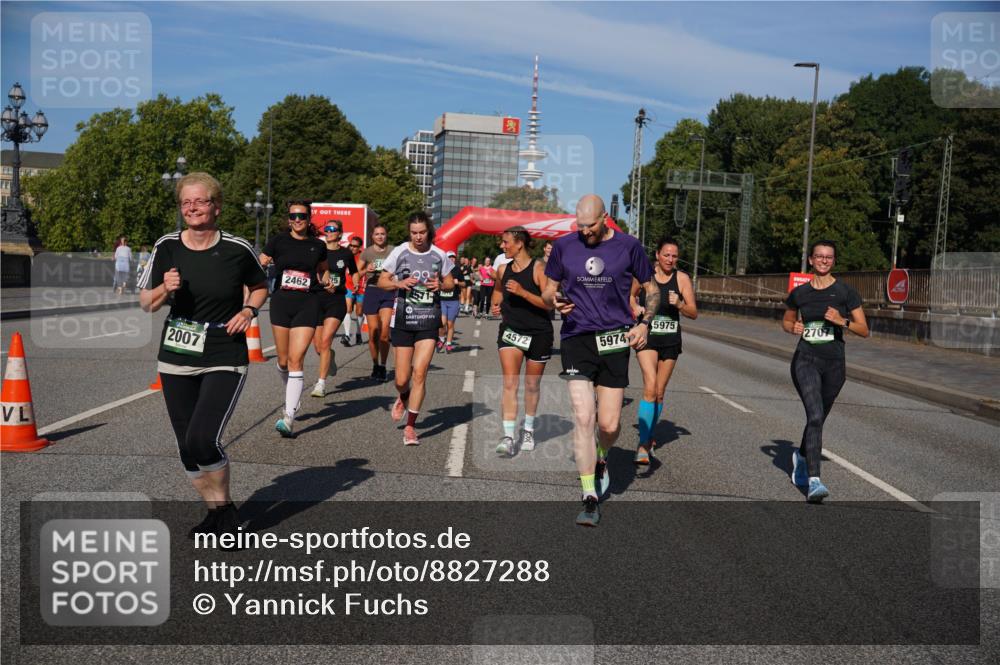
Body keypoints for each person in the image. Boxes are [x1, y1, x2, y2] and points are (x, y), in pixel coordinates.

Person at [138, 172, 267, 538]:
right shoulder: (166, 246)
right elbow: (146, 303)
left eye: (200, 201)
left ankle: (226, 515)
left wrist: (248, 310)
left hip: (224, 351)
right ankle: (216, 514)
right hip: (177, 353)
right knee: (186, 448)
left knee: (202, 439)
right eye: (186, 202)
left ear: (216, 206)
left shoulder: (237, 249)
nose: (192, 207)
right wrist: (165, 288)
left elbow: (260, 286)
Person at [541, 194, 656, 527]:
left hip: (615, 339)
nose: (584, 231)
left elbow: (652, 289)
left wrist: (644, 324)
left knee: (608, 425)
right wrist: (553, 300)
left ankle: (602, 456)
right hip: (577, 337)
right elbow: (548, 290)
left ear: (605, 218)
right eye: (579, 225)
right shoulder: (564, 246)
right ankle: (589, 495)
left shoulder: (629, 246)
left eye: (590, 226)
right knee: (583, 416)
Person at [782, 240, 868, 503]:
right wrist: (793, 327)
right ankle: (814, 481)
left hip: (834, 364)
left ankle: (801, 456)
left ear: (834, 261)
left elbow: (864, 329)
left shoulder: (845, 292)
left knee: (817, 419)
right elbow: (787, 319)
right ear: (810, 260)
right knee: (816, 415)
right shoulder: (800, 293)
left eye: (828, 257)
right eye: (819, 256)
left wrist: (842, 321)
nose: (823, 260)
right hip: (805, 360)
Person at [377, 212, 455, 446]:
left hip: (428, 320)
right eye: (414, 233)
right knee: (402, 379)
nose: (418, 237)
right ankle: (403, 395)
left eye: (422, 232)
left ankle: (410, 427)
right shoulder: (400, 251)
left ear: (429, 232)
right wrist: (398, 283)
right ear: (409, 233)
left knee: (420, 373)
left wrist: (441, 285)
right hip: (403, 320)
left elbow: (450, 282)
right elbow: (381, 280)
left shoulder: (439, 254)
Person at [259, 201, 330, 437]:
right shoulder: (278, 241)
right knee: (282, 361)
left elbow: (323, 270)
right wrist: (259, 266)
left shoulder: (318, 245)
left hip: (307, 303)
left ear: (309, 219)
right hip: (281, 302)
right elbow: (260, 261)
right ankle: (292, 393)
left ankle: (289, 416)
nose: (297, 219)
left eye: (302, 216)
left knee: (296, 359)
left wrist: (327, 281)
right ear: (289, 219)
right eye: (293, 216)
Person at [632, 238, 697, 466]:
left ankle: (649, 436)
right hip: (647, 336)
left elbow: (693, 312)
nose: (670, 259)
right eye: (666, 255)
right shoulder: (644, 274)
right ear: (657, 255)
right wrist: (635, 306)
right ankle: (643, 444)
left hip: (670, 340)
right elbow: (628, 296)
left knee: (659, 393)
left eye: (674, 256)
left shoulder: (682, 279)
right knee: (650, 386)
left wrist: (680, 304)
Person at [491, 226, 552, 455]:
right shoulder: (502, 269)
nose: (502, 246)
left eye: (505, 242)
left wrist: (523, 292)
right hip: (511, 330)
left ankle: (528, 429)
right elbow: (498, 291)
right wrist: (495, 305)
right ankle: (508, 436)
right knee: (510, 382)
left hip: (538, 333)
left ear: (519, 244)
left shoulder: (539, 268)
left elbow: (549, 304)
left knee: (532, 385)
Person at [310, 221, 359, 398]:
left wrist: (355, 283)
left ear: (340, 233)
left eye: (333, 229)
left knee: (325, 341)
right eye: (327, 229)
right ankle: (330, 356)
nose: (329, 232)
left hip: (336, 300)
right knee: (318, 346)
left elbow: (354, 271)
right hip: (317, 299)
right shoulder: (318, 250)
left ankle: (321, 383)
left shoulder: (345, 253)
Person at [359, 223, 396, 381]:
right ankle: (375, 364)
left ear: (386, 235)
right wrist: (366, 270)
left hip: (388, 291)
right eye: (377, 234)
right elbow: (356, 273)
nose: (380, 236)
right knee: (373, 332)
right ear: (372, 236)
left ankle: (383, 365)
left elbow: (403, 267)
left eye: (382, 234)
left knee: (384, 332)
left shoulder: (393, 250)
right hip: (372, 291)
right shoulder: (367, 252)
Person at [437, 251, 466, 353]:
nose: (451, 259)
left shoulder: (457, 270)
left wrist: (458, 283)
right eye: (449, 257)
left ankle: (448, 344)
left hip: (453, 301)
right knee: (442, 323)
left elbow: (464, 284)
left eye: (453, 257)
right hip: (442, 300)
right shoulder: (441, 269)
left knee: (450, 324)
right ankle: (441, 339)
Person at [341, 238, 366, 347]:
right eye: (351, 245)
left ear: (360, 247)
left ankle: (358, 333)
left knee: (359, 312)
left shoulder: (363, 257)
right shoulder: (345, 255)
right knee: (348, 310)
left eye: (355, 246)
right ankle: (347, 335)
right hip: (348, 286)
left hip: (360, 287)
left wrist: (364, 271)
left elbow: (364, 272)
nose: (352, 248)